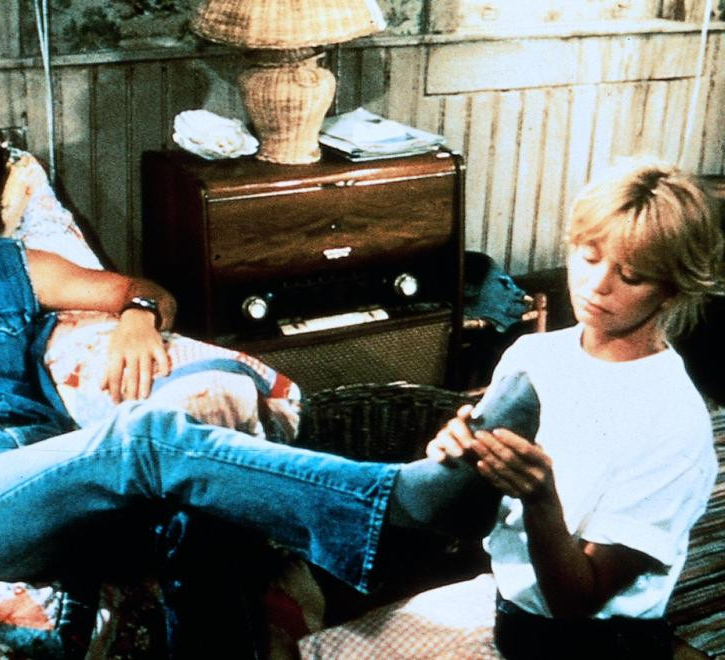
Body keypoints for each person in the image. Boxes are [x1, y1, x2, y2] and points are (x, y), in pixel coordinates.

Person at [0, 114, 510, 657]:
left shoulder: (7, 267)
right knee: (148, 440)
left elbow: (141, 290)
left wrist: (138, 321)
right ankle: (399, 506)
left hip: (66, 469)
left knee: (209, 519)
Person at [302, 157, 722, 660]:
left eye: (630, 275)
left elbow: (575, 603)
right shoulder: (534, 356)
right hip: (506, 610)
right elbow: (476, 517)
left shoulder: (674, 422)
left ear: (671, 290)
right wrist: (456, 452)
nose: (597, 285)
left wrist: (540, 501)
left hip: (597, 648)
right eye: (589, 257)